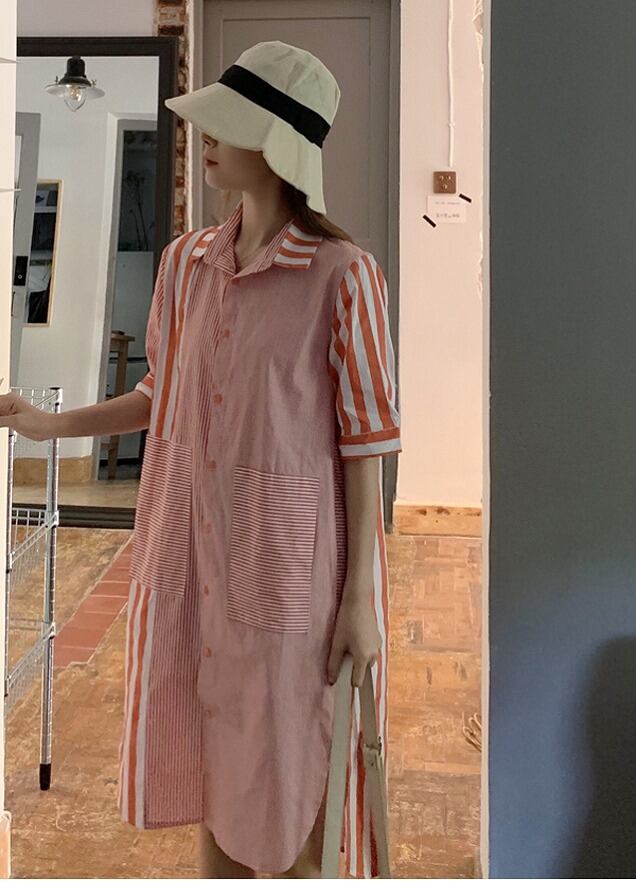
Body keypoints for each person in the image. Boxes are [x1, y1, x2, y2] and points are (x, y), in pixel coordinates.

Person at [0, 39, 401, 879]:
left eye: (229, 124)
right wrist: (49, 425)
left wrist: (361, 600)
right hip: (186, 558)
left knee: (291, 786)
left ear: (278, 143)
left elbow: (366, 447)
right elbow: (162, 394)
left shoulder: (345, 277)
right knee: (212, 772)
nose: (206, 139)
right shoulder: (186, 264)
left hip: (290, 577)